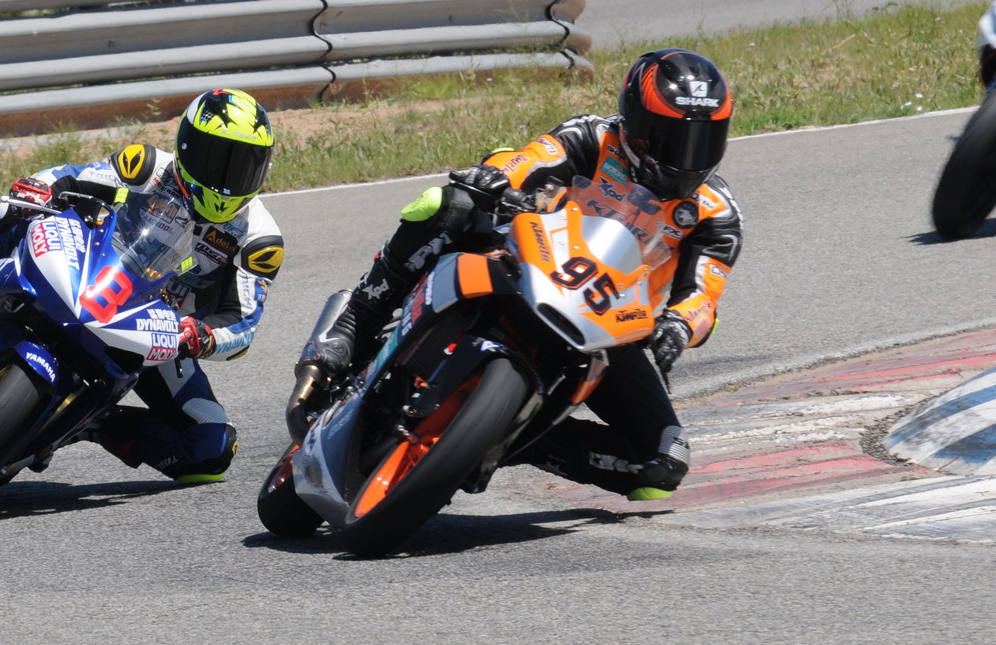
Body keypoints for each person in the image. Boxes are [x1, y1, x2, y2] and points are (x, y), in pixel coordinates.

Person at [304, 49, 742, 501]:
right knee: (449, 204)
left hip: (607, 327)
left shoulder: (716, 212)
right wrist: (492, 178)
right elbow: (526, 161)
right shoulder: (591, 136)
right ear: (635, 122)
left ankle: (497, 438)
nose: (687, 157)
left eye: (703, 141)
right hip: (529, 262)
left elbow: (703, 295)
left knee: (662, 465)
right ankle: (356, 320)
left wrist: (680, 325)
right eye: (671, 139)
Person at [0, 88, 285, 484]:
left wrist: (203, 337)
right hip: (89, 270)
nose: (228, 179)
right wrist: (41, 188)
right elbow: (71, 176)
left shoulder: (259, 240)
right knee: (6, 213)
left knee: (212, 448)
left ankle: (85, 422)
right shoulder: (146, 165)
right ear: (187, 146)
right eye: (218, 159)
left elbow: (244, 322)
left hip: (159, 331)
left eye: (244, 165)